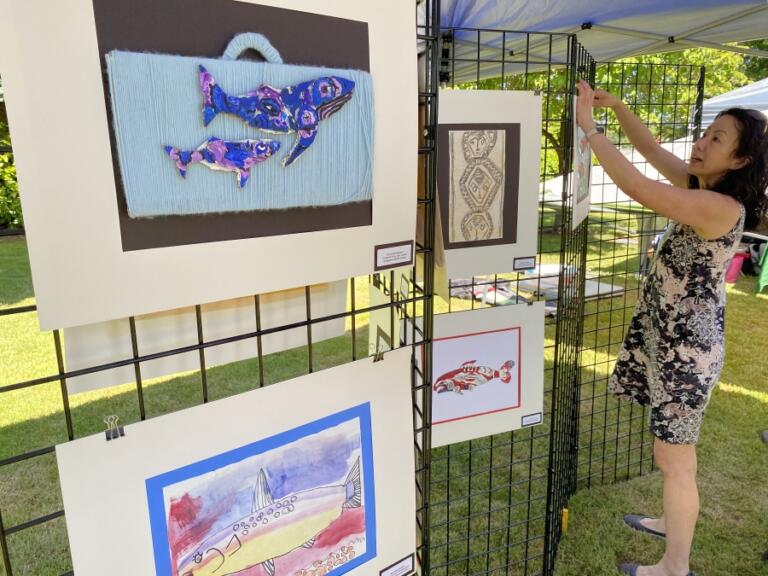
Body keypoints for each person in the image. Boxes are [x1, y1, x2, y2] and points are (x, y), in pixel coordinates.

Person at [575, 79, 768, 576]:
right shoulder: (700, 187)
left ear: (742, 161)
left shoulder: (719, 208)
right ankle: (667, 520)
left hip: (688, 351)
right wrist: (618, 108)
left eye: (718, 139)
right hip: (674, 342)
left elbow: (639, 187)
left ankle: (674, 568)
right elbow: (651, 148)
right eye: (706, 133)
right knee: (671, 454)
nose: (702, 143)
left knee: (675, 458)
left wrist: (592, 132)